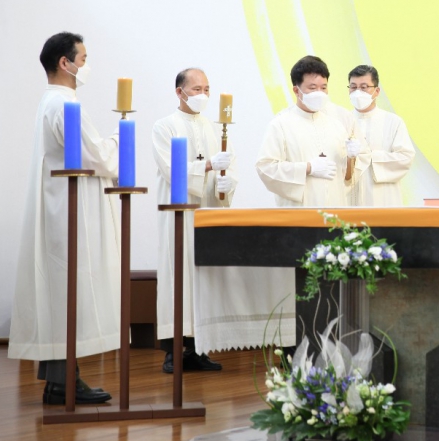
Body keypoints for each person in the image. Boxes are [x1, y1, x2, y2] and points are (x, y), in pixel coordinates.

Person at [153, 68, 295, 371]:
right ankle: (174, 351)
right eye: (196, 90)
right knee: (178, 276)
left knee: (203, 279)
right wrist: (206, 167)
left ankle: (199, 348)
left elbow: (229, 166)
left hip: (206, 212)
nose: (203, 95)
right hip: (178, 213)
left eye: (207, 89)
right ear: (179, 92)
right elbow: (170, 169)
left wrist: (226, 184)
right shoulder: (164, 127)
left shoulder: (215, 129)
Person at [8, 32, 119, 405]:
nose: (86, 66)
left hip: (62, 208)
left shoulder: (53, 101)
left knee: (62, 295)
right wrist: (120, 140)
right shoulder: (63, 104)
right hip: (68, 212)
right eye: (83, 59)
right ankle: (62, 382)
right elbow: (96, 157)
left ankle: (60, 380)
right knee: (68, 295)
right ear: (64, 62)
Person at [256, 55, 359, 208]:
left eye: (323, 88)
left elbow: (346, 177)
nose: (319, 93)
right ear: (296, 90)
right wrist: (308, 168)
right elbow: (266, 168)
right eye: (312, 88)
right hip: (300, 213)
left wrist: (351, 158)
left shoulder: (336, 126)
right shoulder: (281, 125)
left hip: (335, 210)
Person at [345, 65, 415, 207]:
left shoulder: (393, 122)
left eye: (364, 87)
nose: (358, 92)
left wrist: (369, 157)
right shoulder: (342, 121)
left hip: (383, 199)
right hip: (349, 199)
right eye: (353, 87)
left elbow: (406, 157)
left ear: (376, 91)